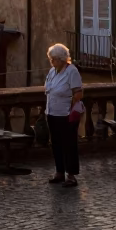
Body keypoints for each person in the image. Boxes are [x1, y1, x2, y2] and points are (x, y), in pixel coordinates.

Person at [44, 42, 83, 187]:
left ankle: (71, 175)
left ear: (61, 59)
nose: (51, 61)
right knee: (56, 144)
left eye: (53, 59)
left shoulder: (72, 71)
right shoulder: (52, 72)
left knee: (69, 144)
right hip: (52, 112)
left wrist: (71, 108)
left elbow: (78, 93)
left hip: (66, 114)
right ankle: (59, 172)